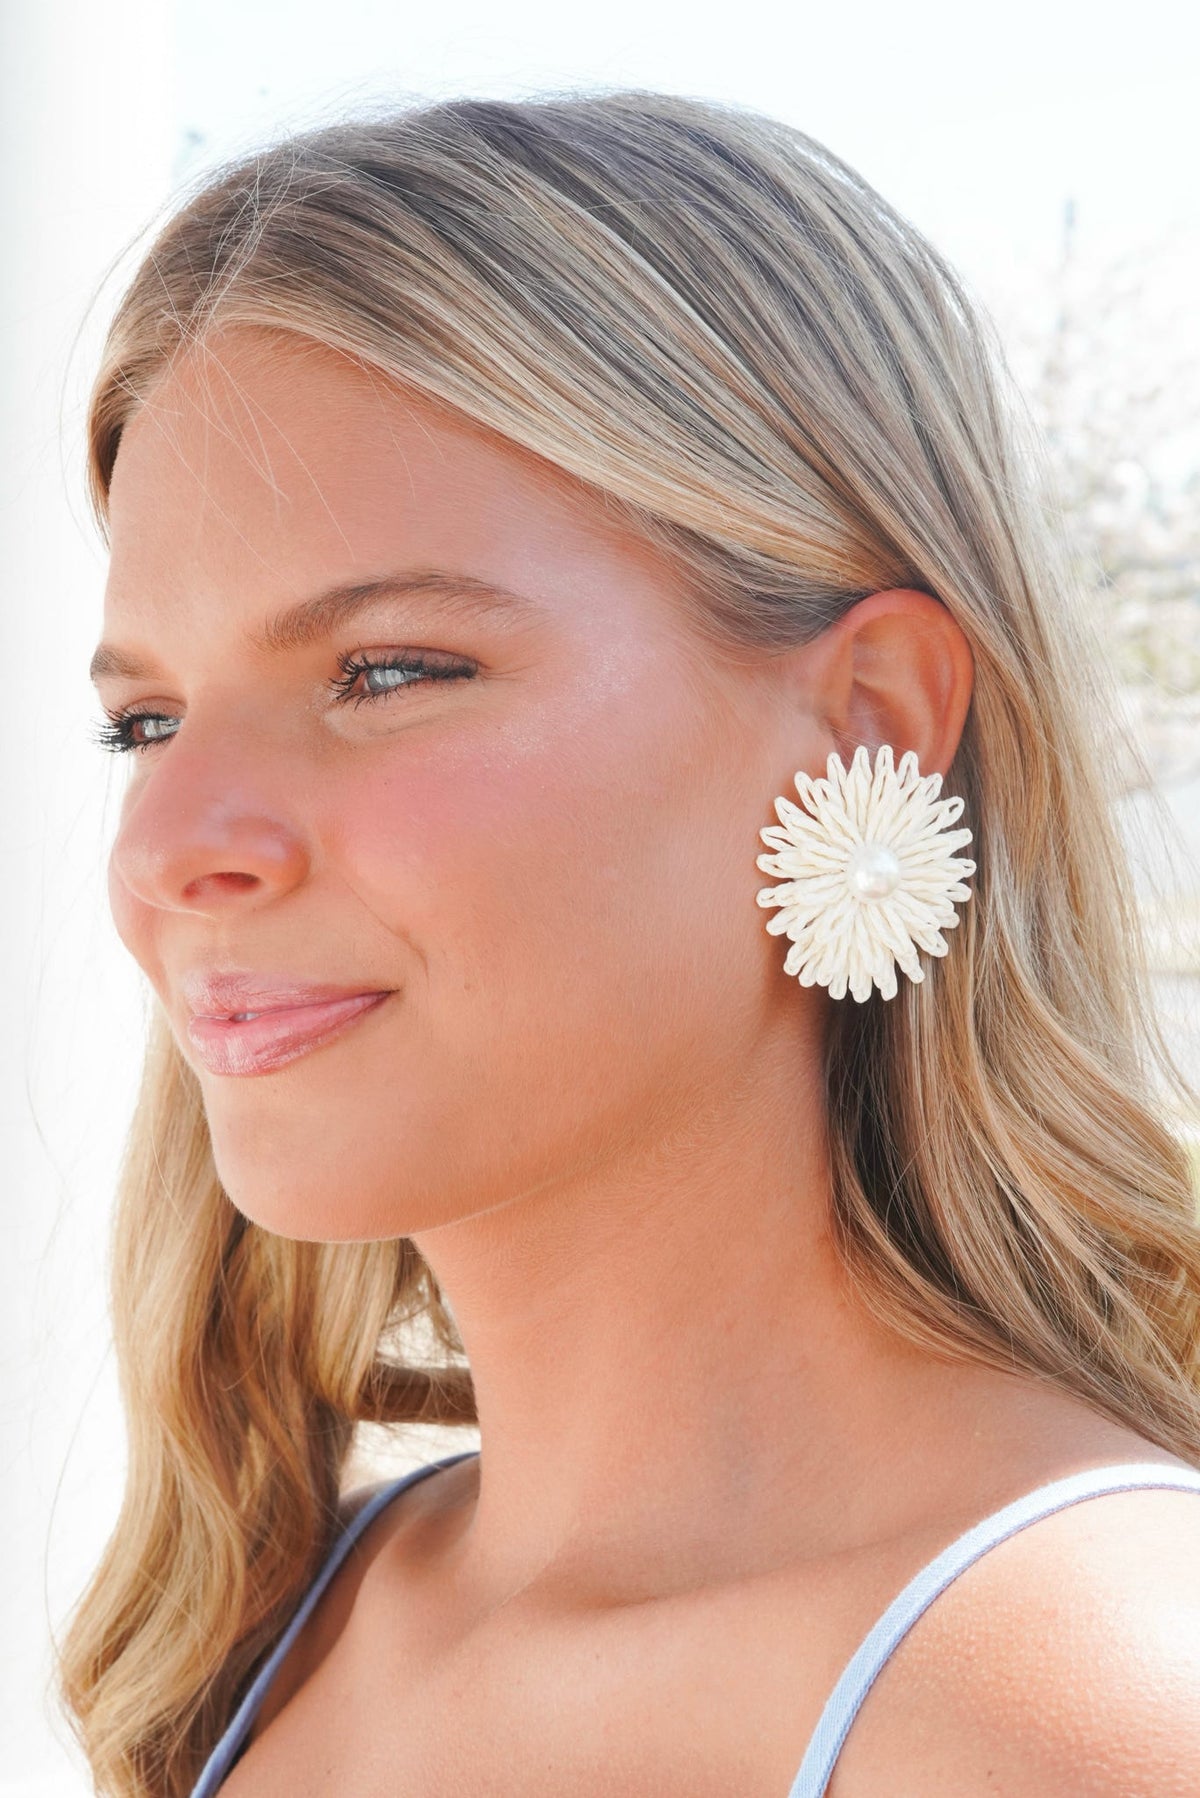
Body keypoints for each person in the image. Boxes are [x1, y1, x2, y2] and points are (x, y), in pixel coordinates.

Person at [58, 88, 1200, 1798]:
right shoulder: (279, 1625)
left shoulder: (1072, 1701)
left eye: (387, 671)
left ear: (867, 720)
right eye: (146, 722)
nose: (170, 847)